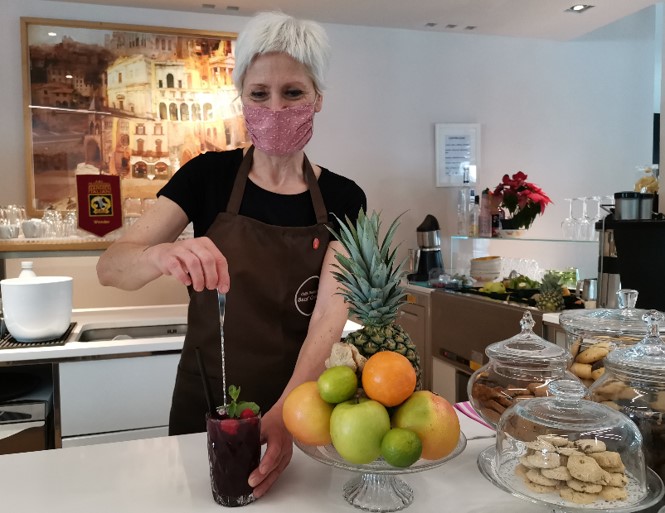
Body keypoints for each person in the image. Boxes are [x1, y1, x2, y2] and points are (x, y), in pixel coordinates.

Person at [96, 11, 366, 498]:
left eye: (293, 92)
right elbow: (111, 268)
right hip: (206, 402)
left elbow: (330, 314)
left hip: (305, 403)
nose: (275, 108)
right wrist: (162, 255)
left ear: (318, 99)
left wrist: (286, 412)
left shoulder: (345, 198)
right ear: (241, 96)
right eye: (259, 94)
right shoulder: (207, 177)